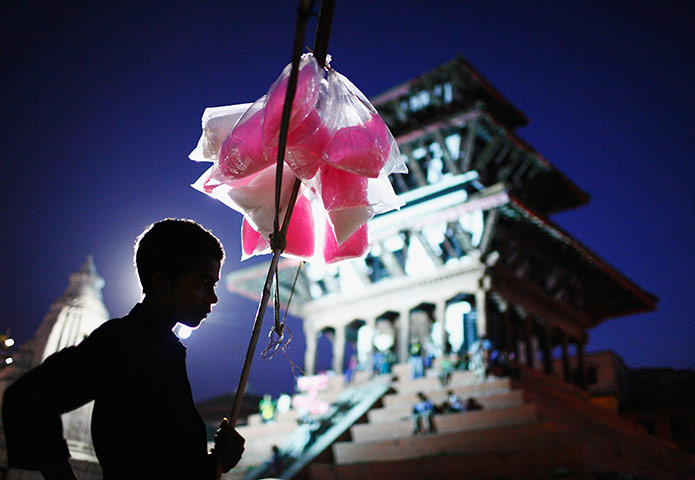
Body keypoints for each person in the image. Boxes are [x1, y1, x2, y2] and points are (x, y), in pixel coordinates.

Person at [2, 219, 245, 479]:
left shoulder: (164, 350)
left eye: (213, 286)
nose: (213, 298)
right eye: (202, 285)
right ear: (162, 283)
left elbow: (162, 461)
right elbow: (26, 398)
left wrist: (216, 462)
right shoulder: (124, 342)